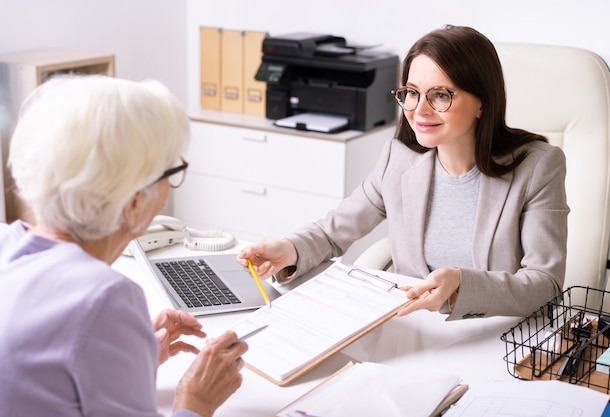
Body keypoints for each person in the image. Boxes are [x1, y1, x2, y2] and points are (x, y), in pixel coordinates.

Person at [237, 25, 569, 321]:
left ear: (483, 102)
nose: (419, 110)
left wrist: (462, 285)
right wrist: (288, 250)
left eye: (441, 95)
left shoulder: (537, 166)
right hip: (408, 325)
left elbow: (545, 283)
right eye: (411, 92)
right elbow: (332, 233)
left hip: (491, 337)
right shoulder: (400, 159)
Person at [0, 75, 247, 417]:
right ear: (132, 202)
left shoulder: (7, 244)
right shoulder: (105, 298)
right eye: (170, 172)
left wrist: (122, 356)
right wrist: (196, 400)